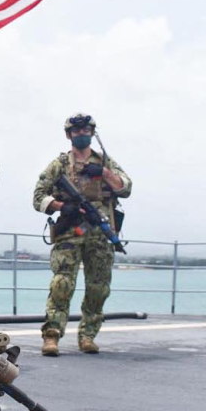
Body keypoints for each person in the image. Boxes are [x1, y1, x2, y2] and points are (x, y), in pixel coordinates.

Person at [32, 113, 132, 355]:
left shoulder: (105, 162)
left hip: (100, 232)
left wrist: (104, 173)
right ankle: (52, 335)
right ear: (69, 135)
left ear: (92, 133)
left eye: (85, 130)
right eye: (76, 131)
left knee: (98, 287)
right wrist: (60, 206)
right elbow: (38, 197)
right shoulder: (59, 165)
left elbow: (126, 187)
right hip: (70, 231)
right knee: (61, 283)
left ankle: (88, 335)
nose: (81, 134)